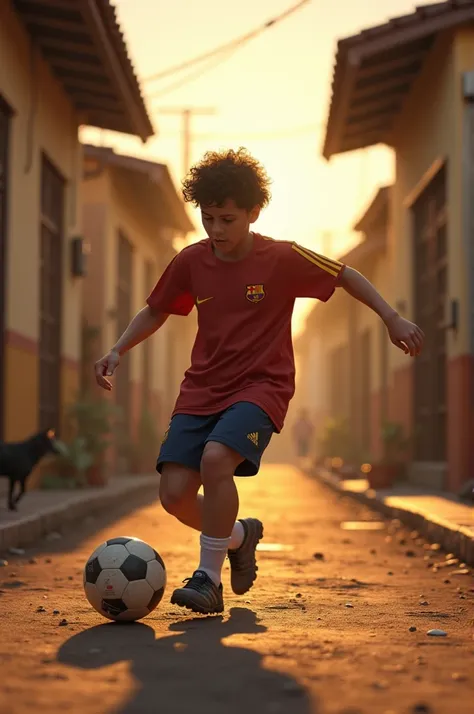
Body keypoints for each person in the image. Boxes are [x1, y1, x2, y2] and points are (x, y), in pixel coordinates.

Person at [94, 148, 424, 615]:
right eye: (208, 218)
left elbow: (345, 274)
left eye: (227, 219)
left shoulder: (282, 258)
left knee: (216, 459)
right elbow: (156, 309)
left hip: (261, 386)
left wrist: (391, 318)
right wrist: (117, 348)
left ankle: (208, 579)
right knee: (173, 496)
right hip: (202, 388)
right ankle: (239, 535)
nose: (217, 230)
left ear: (253, 212)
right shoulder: (192, 260)